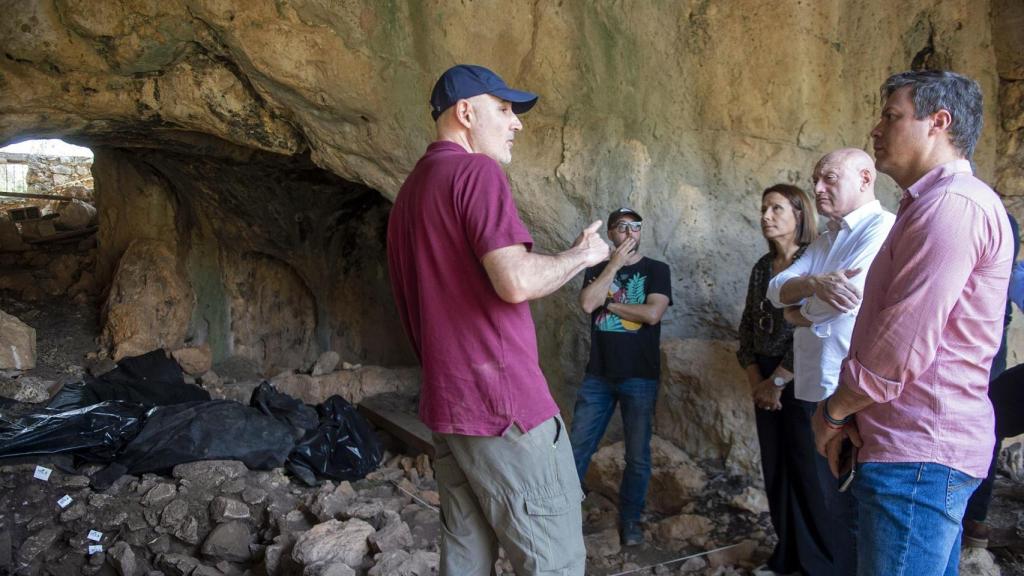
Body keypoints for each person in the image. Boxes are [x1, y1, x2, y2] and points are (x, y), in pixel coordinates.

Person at [386, 64, 609, 576]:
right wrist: (581, 255)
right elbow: (515, 281)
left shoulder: (411, 193)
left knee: (467, 560)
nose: (517, 124)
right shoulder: (476, 172)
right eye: (504, 110)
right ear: (466, 113)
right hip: (505, 411)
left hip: (451, 409)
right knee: (555, 563)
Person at [811, 70, 1013, 575]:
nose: (876, 130)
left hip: (918, 452)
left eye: (892, 116)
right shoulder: (933, 205)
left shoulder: (953, 207)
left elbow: (900, 346)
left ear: (938, 123)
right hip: (914, 447)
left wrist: (835, 410)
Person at [766, 148, 895, 575]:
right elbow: (776, 288)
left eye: (829, 179)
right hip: (817, 387)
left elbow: (849, 302)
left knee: (855, 512)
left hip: (852, 393)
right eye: (815, 179)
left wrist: (797, 312)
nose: (817, 188)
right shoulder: (827, 239)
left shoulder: (883, 228)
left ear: (864, 178)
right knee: (835, 509)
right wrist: (815, 284)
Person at [568, 207, 672, 547]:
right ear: (611, 233)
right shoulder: (597, 269)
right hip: (598, 375)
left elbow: (652, 313)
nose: (629, 233)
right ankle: (563, 520)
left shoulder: (657, 270)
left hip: (640, 377)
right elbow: (586, 304)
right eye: (621, 227)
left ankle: (630, 522)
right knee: (577, 449)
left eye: (635, 227)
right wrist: (612, 266)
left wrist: (608, 304)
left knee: (638, 456)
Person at [736, 184, 820, 575]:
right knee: (777, 469)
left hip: (803, 378)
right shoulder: (760, 267)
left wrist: (778, 381)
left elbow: (815, 329)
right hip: (766, 377)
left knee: (808, 470)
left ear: (799, 214)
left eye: (776, 208)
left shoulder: (815, 263)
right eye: (763, 208)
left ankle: (818, 562)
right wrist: (758, 380)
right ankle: (786, 557)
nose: (766, 216)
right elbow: (749, 327)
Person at [963, 212, 1020, 547]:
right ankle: (974, 518)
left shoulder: (996, 219)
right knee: (992, 416)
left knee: (989, 416)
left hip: (985, 334)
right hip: (982, 330)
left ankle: (973, 517)